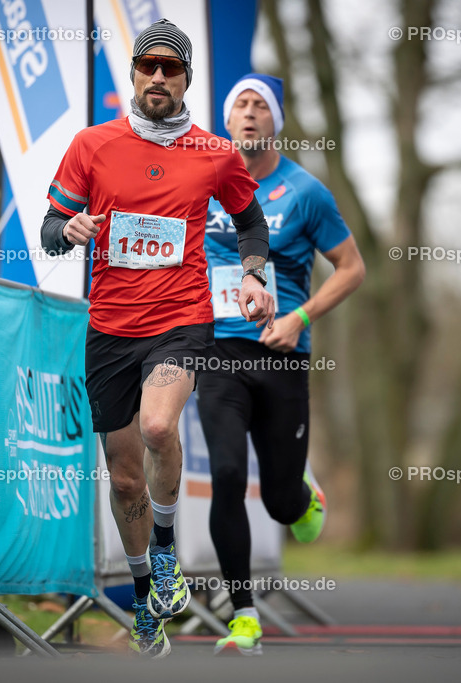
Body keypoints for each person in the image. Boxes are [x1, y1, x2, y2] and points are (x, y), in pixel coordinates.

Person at [40, 19, 276, 658]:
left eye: (172, 68)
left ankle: (167, 549)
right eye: (149, 66)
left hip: (182, 319)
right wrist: (70, 230)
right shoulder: (93, 145)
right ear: (135, 74)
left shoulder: (215, 154)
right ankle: (147, 596)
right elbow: (47, 226)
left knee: (156, 429)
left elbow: (252, 222)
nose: (159, 77)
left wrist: (254, 275)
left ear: (186, 79)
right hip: (110, 328)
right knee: (122, 480)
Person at [196, 74, 365, 656]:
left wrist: (302, 317)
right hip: (216, 350)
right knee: (224, 475)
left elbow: (351, 267)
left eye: (259, 106)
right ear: (227, 119)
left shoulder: (305, 192)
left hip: (281, 354)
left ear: (276, 121)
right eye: (239, 105)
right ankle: (243, 614)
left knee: (278, 501)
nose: (248, 114)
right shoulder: (204, 182)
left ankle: (302, 496)